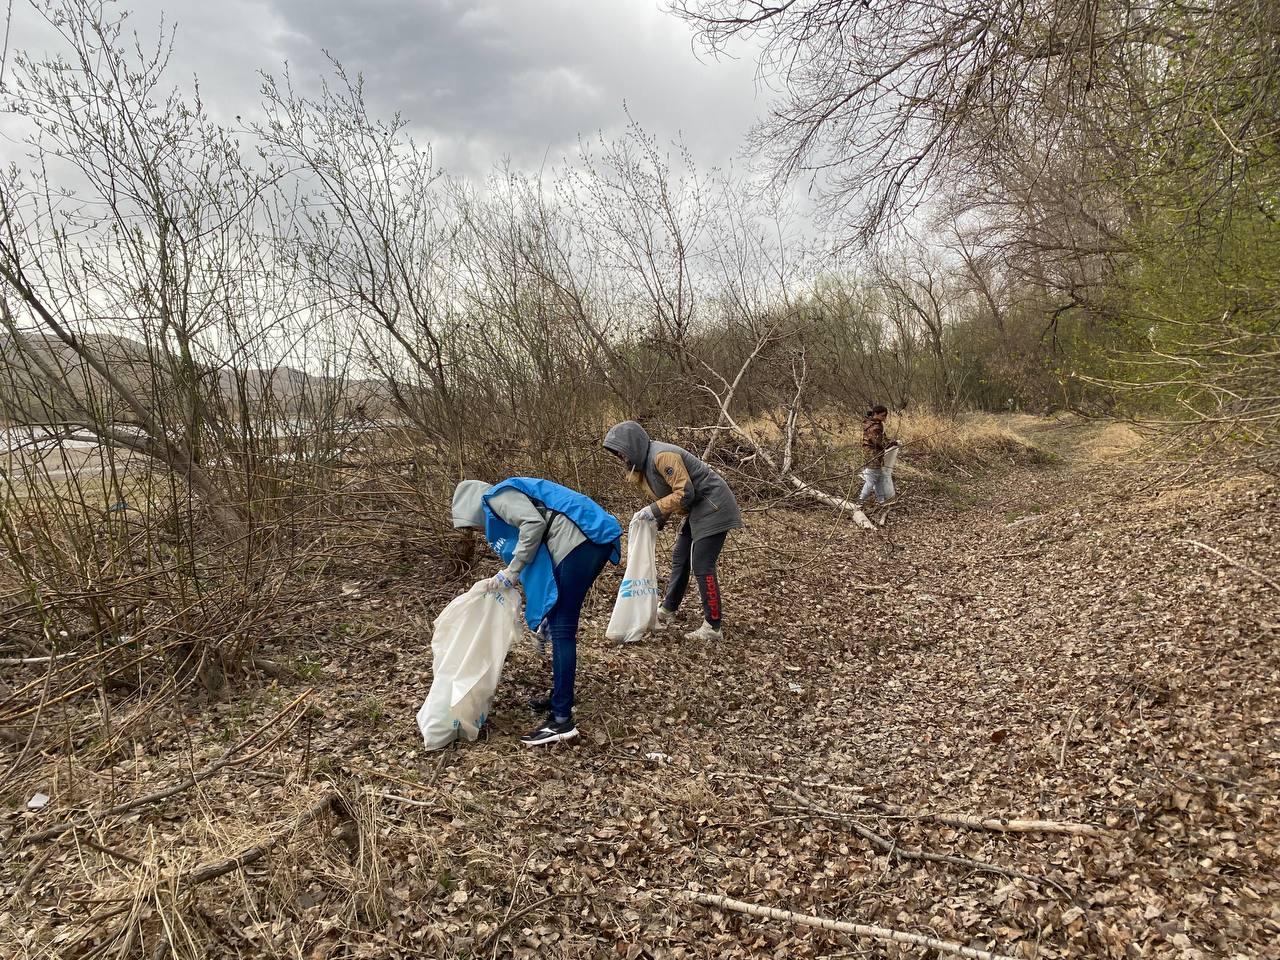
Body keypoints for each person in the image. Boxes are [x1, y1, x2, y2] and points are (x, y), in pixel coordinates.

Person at [450, 478, 621, 747]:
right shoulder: (505, 497)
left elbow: (533, 524)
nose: (476, 528)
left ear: (471, 506)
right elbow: (541, 558)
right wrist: (543, 612)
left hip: (578, 541)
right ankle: (560, 697)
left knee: (563, 629)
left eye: (471, 523)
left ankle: (561, 719)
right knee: (559, 621)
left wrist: (512, 571)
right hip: (588, 540)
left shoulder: (496, 497)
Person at [602, 421, 742, 641]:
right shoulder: (646, 464)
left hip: (714, 505)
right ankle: (668, 609)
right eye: (618, 454)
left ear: (632, 445)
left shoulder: (662, 456)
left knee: (702, 563)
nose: (622, 457)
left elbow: (685, 492)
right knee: (680, 557)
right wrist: (654, 520)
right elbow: (669, 496)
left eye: (622, 451)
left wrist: (653, 510)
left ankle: (713, 627)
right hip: (699, 508)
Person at [859, 404, 898, 507]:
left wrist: (890, 442)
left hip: (874, 453)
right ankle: (860, 502)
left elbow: (882, 438)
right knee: (871, 480)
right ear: (875, 414)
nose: (884, 418)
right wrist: (890, 444)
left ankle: (881, 501)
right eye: (882, 415)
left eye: (885, 416)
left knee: (879, 477)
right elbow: (877, 441)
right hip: (873, 455)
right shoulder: (874, 427)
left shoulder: (875, 423)